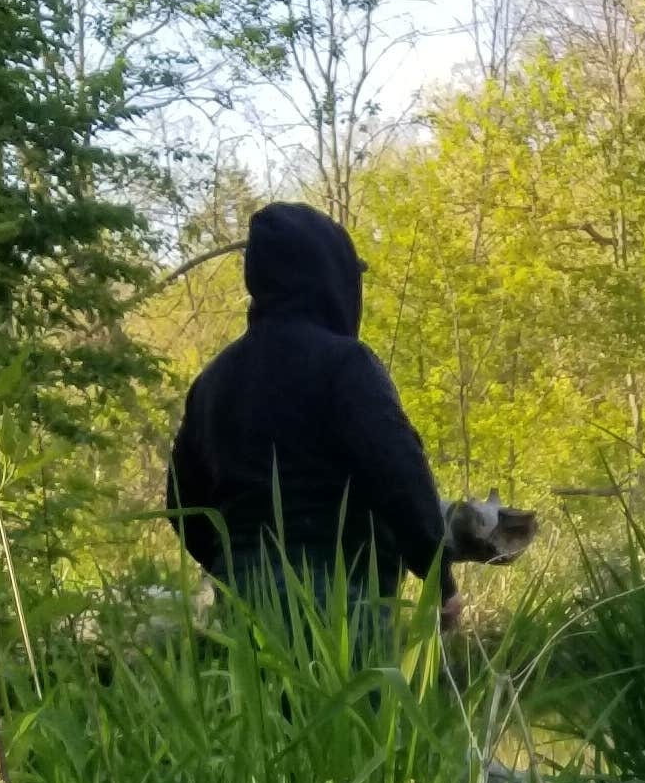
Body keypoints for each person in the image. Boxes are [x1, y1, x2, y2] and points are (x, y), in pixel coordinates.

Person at [166, 202, 453, 629]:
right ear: (331, 279)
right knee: (350, 699)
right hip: (341, 608)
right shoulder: (345, 363)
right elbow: (398, 470)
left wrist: (234, 568)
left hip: (241, 614)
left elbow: (181, 503)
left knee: (256, 700)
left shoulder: (214, 380)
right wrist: (439, 578)